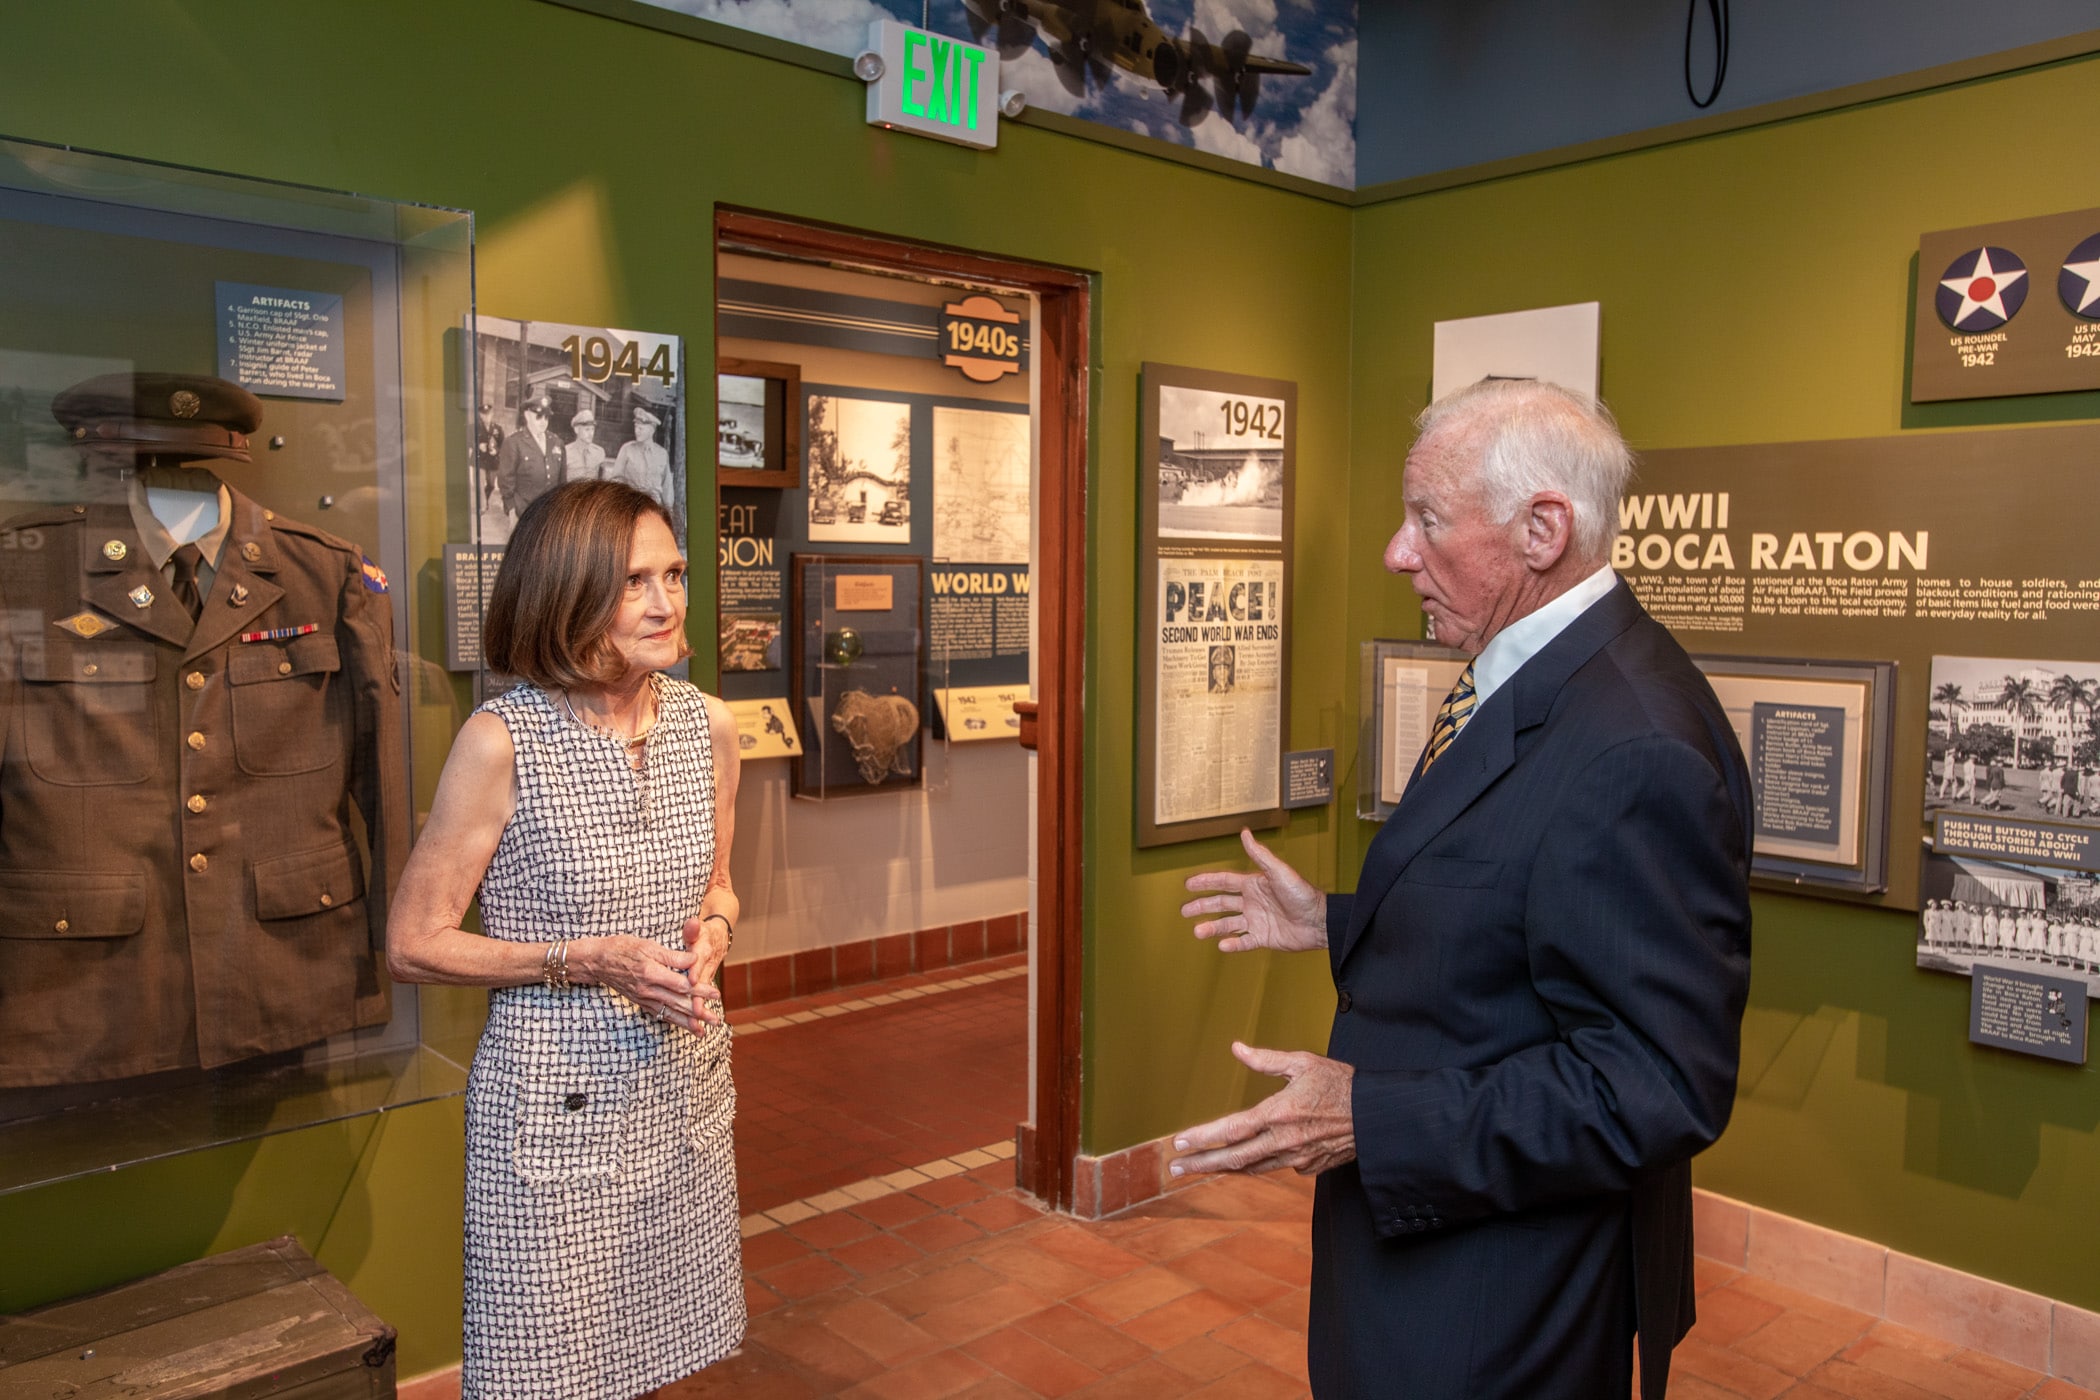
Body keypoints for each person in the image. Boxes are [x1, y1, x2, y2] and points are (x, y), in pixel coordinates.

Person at [1172, 380, 1752, 1400]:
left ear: (1542, 529)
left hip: (1497, 1303)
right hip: (1436, 1259)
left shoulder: (1635, 739)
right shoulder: (1535, 669)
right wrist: (1338, 921)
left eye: (1427, 518)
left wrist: (1372, 1119)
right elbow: (1526, 917)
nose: (1398, 551)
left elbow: (1656, 1083)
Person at [387, 480, 744, 1398]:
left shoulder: (708, 725)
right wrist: (581, 958)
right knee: (546, 1368)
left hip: (680, 1084)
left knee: (656, 1351)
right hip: (555, 1103)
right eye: (633, 582)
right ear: (565, 592)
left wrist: (715, 933)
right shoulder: (502, 739)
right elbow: (415, 941)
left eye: (674, 573)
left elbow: (722, 888)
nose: (666, 603)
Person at [495, 392, 563, 521]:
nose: (543, 421)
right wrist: (512, 511)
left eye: (546, 417)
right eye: (538, 416)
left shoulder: (556, 442)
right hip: (523, 512)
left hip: (550, 512)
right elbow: (505, 480)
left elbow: (561, 479)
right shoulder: (514, 442)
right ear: (527, 416)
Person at [611, 403, 675, 511]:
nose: (637, 431)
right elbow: (616, 479)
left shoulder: (662, 454)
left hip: (654, 507)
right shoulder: (627, 449)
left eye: (641, 428)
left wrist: (669, 509)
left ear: (652, 430)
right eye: (636, 427)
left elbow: (667, 485)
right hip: (631, 505)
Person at [564, 406, 607, 482]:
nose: (591, 434)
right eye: (587, 429)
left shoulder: (599, 452)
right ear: (577, 430)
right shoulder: (566, 452)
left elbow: (603, 480)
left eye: (592, 429)